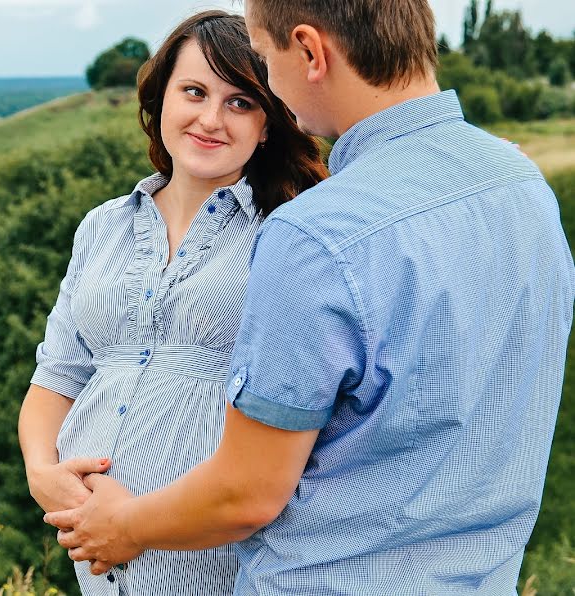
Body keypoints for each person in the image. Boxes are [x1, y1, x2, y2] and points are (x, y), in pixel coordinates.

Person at [46, 0, 575, 593]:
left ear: (309, 51)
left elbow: (249, 492)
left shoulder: (314, 236)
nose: (271, 84)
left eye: (266, 64)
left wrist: (124, 526)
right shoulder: (519, 183)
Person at [18, 10, 327, 595]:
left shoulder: (287, 236)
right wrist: (42, 473)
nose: (210, 119)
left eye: (240, 102)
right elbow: (56, 374)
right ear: (161, 100)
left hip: (220, 565)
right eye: (194, 92)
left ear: (268, 125)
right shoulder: (103, 227)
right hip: (101, 565)